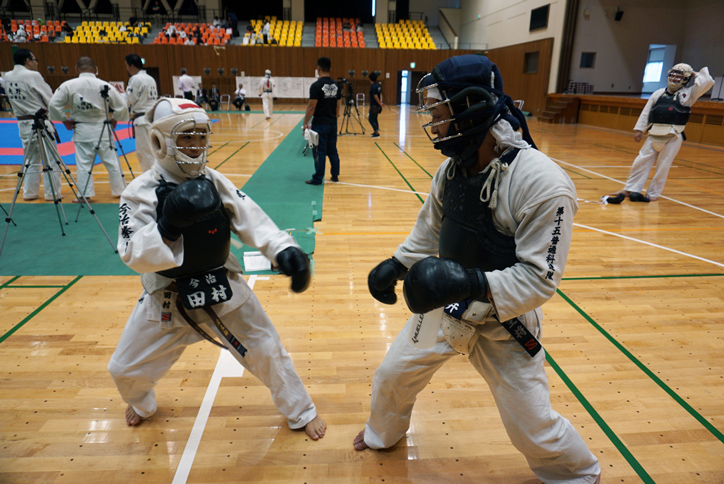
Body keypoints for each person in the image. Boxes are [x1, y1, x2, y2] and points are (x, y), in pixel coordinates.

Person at [353, 55, 602, 484]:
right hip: (447, 308)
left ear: (470, 106)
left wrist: (468, 281)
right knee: (393, 375)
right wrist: (397, 264)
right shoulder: (452, 170)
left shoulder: (542, 184)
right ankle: (382, 434)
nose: (433, 122)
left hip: (503, 322)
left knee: (531, 427)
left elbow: (540, 279)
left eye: (438, 111)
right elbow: (431, 228)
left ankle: (579, 473)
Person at [107, 97, 327, 441]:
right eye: (186, 137)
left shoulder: (214, 180)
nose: (195, 145)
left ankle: (302, 411)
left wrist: (283, 250)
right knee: (123, 368)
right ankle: (142, 404)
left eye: (200, 136)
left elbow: (250, 216)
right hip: (168, 295)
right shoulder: (140, 193)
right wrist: (167, 227)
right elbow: (131, 252)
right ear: (160, 141)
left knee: (267, 349)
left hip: (222, 284)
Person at [603, 63, 714, 203]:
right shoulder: (658, 93)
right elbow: (646, 111)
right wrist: (640, 129)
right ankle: (631, 188)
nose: (674, 79)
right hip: (654, 132)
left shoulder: (690, 94)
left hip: (673, 135)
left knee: (663, 166)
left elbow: (708, 81)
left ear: (686, 79)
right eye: (672, 76)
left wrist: (693, 73)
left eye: (678, 77)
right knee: (640, 162)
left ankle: (653, 193)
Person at [49, 56, 128, 203]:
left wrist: (64, 120)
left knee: (83, 164)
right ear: (96, 69)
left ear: (76, 69)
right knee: (112, 161)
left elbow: (53, 104)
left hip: (82, 129)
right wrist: (115, 119)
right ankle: (120, 191)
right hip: (102, 129)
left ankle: (85, 195)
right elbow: (122, 106)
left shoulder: (69, 85)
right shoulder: (105, 85)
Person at [4, 48, 62, 201]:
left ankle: (30, 193)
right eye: (35, 60)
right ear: (28, 61)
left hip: (22, 122)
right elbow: (50, 99)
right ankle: (52, 193)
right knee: (50, 159)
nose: (36, 63)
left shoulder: (7, 76)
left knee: (30, 159)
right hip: (39, 121)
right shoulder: (33, 75)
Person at [303, 57, 341, 185]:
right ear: (330, 68)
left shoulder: (316, 86)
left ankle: (318, 178)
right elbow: (338, 106)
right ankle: (335, 175)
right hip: (332, 123)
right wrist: (334, 119)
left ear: (318, 69)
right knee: (332, 150)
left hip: (319, 124)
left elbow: (311, 107)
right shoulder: (336, 85)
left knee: (319, 152)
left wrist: (305, 123)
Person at [125, 53, 158, 172]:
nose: (127, 69)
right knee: (153, 150)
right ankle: (156, 175)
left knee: (144, 152)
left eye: (127, 66)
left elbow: (129, 99)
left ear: (132, 66)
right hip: (152, 118)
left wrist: (120, 95)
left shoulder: (135, 79)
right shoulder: (150, 78)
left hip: (142, 120)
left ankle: (152, 177)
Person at [368, 72, 384, 138]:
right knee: (375, 118)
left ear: (370, 79)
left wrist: (379, 103)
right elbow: (380, 94)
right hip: (377, 105)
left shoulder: (373, 87)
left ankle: (376, 132)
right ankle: (376, 131)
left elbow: (375, 96)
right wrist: (381, 102)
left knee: (371, 119)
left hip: (374, 106)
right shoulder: (378, 86)